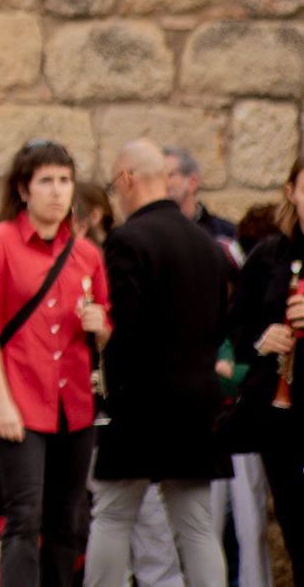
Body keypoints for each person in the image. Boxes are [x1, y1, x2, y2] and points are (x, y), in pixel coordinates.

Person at [85, 140, 232, 587]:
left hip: (142, 404)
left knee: (111, 516)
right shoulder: (207, 245)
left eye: (113, 186)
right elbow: (220, 324)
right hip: (198, 405)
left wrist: (103, 343)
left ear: (127, 178)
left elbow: (124, 328)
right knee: (197, 526)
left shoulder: (128, 240)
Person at [0, 140, 111, 587]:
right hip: (20, 399)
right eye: (46, 180)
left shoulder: (87, 253)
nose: (57, 191)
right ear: (23, 189)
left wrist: (100, 324)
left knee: (68, 520)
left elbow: (106, 331)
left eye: (65, 180)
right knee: (24, 518)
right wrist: (1, 401)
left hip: (75, 400)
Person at [231, 159, 304, 568]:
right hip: (282, 419)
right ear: (290, 193)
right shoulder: (267, 258)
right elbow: (236, 329)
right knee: (295, 528)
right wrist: (262, 340)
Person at [165, 148, 241, 259]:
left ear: (192, 182)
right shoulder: (151, 234)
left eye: (169, 175)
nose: (161, 182)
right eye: (158, 177)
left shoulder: (223, 233)